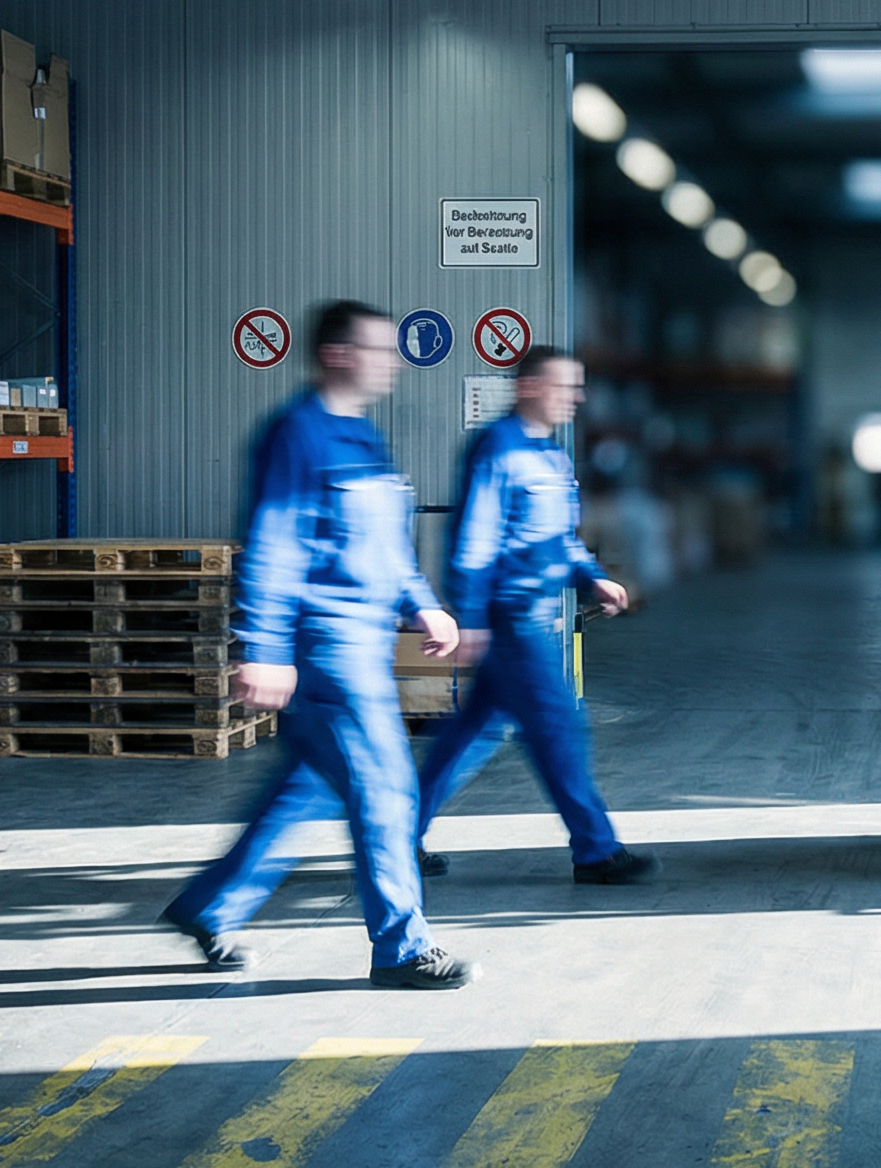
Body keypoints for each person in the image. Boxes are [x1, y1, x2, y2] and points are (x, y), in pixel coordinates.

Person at [160, 300, 473, 989]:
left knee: (304, 789)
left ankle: (209, 907)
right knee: (387, 792)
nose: (391, 363)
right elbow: (272, 544)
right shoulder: (296, 436)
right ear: (338, 355)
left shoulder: (361, 438)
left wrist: (422, 604)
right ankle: (401, 948)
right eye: (378, 351)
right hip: (326, 648)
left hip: (360, 641)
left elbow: (387, 545)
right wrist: (262, 646)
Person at [415, 345, 655, 884]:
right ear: (529, 388)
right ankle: (596, 850)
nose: (578, 397)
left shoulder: (550, 454)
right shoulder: (497, 450)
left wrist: (592, 577)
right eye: (566, 386)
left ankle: (396, 834)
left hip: (533, 618)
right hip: (511, 620)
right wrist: (472, 617)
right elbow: (474, 541)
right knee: (560, 728)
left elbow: (559, 539)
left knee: (471, 734)